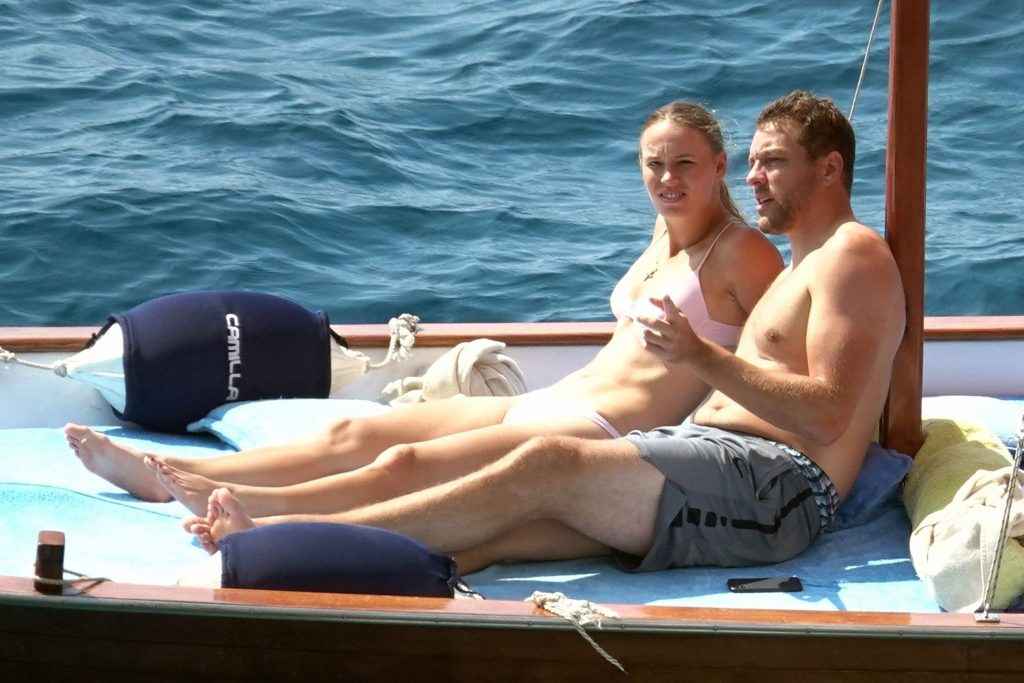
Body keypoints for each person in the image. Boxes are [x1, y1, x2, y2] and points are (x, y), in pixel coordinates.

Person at [182, 90, 907, 575]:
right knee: (496, 537)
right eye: (751, 163)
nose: (753, 179)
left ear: (830, 168)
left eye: (772, 163)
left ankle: (275, 533)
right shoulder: (803, 262)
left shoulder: (853, 254)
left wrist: (697, 355)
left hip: (776, 489)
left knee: (543, 463)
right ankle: (304, 551)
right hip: (718, 464)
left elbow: (828, 414)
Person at [65, 101, 783, 527]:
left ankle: (244, 506)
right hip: (556, 399)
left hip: (602, 427)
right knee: (356, 429)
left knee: (405, 465)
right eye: (654, 164)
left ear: (719, 166)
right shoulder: (665, 233)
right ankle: (171, 470)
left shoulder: (743, 253)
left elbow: (775, 362)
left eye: (684, 164)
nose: (666, 178)